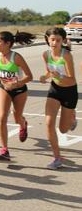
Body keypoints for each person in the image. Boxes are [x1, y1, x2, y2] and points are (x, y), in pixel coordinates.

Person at [0, 31, 35, 161]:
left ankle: (23, 124)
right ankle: (4, 149)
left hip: (19, 91)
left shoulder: (16, 57)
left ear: (8, 44)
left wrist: (17, 83)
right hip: (4, 89)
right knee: (2, 117)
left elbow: (29, 76)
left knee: (17, 118)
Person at [39, 27, 78, 169]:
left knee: (63, 130)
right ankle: (57, 158)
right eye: (52, 40)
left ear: (63, 41)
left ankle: (72, 117)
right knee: (49, 123)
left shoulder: (66, 55)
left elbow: (72, 79)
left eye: (58, 40)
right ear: (48, 40)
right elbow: (49, 72)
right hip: (55, 90)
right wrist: (45, 76)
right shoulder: (45, 54)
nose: (54, 43)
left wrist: (59, 76)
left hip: (69, 91)